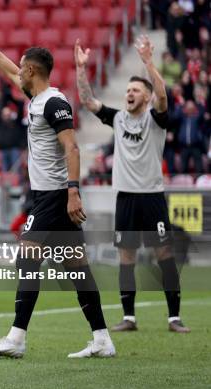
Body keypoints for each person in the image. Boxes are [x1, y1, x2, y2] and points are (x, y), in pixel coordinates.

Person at [0, 12, 115, 359]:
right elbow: (7, 70)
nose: (17, 70)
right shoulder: (36, 98)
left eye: (22, 66)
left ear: (32, 71)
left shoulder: (53, 102)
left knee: (27, 258)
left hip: (54, 196)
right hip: (51, 196)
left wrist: (73, 190)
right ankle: (102, 339)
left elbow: (72, 147)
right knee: (77, 267)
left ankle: (16, 339)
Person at [75, 36, 190, 333]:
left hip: (152, 197)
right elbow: (88, 101)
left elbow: (164, 97)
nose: (129, 93)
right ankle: (129, 318)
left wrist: (149, 63)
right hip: (125, 197)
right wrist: (80, 69)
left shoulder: (155, 120)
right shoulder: (117, 119)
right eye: (127, 89)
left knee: (163, 255)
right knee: (126, 257)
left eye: (136, 90)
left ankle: (173, 317)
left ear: (147, 96)